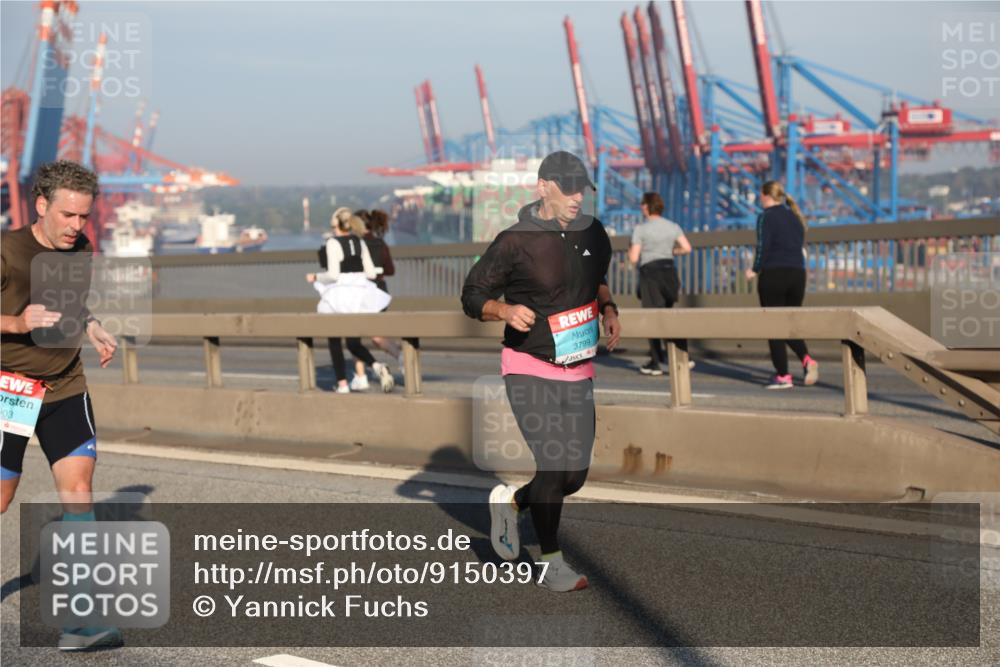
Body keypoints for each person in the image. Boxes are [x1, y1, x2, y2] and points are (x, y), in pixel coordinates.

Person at [462, 151, 621, 592]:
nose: (576, 197)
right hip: (529, 367)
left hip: (579, 369)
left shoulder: (594, 232)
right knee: (554, 467)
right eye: (567, 188)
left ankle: (512, 503)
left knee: (573, 476)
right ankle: (552, 563)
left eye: (581, 189)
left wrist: (608, 308)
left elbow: (598, 279)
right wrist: (503, 309)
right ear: (543, 187)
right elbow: (472, 295)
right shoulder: (515, 241)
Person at [0, 160, 123, 651]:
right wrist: (15, 322)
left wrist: (91, 327)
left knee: (78, 491)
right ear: (42, 205)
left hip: (65, 386)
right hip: (8, 388)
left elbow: (70, 303)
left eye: (84, 217)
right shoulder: (7, 252)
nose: (77, 227)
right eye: (68, 215)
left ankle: (82, 622)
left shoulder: (82, 250)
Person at [307, 208, 394, 393]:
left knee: (334, 340)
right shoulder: (359, 242)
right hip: (359, 294)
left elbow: (332, 275)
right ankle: (377, 366)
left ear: (336, 226)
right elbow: (371, 273)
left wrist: (315, 276)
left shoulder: (332, 243)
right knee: (353, 342)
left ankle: (342, 384)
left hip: (340, 295)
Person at [744, 180, 819, 389]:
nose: (759, 198)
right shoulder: (795, 217)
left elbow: (763, 246)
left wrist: (755, 269)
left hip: (774, 274)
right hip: (797, 274)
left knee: (774, 325)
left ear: (766, 195)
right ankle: (806, 360)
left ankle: (783, 375)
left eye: (760, 194)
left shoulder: (765, 217)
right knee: (789, 323)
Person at [628, 192, 693, 376]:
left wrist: (630, 256)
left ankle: (657, 362)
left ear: (647, 207)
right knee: (667, 316)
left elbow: (633, 257)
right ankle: (681, 356)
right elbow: (687, 248)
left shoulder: (641, 229)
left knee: (652, 317)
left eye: (642, 205)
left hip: (651, 275)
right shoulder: (673, 226)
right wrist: (671, 251)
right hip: (669, 272)